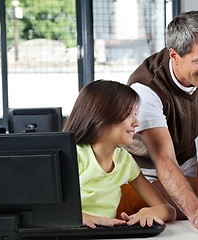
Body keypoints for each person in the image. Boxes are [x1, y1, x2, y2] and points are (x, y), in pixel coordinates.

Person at [124, 10, 198, 231]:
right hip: (144, 169)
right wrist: (196, 210)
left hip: (185, 156)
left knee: (188, 227)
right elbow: (163, 158)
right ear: (174, 55)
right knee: (167, 224)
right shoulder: (147, 88)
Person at [63, 80, 176, 229]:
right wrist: (83, 218)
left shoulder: (124, 160)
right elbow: (45, 212)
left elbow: (169, 210)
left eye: (135, 114)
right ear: (101, 116)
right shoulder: (74, 155)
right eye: (129, 114)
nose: (136, 122)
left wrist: (149, 211)